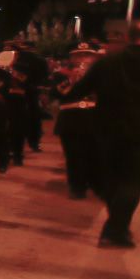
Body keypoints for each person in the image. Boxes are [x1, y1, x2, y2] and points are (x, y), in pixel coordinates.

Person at [73, 24, 140, 248]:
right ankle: (114, 230)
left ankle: (118, 229)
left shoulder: (107, 61)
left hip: (106, 129)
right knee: (131, 182)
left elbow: (78, 90)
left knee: (113, 179)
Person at [54, 45, 101, 200]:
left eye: (87, 55)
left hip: (93, 117)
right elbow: (55, 94)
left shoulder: (100, 74)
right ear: (71, 58)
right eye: (79, 55)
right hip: (71, 118)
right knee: (73, 155)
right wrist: (71, 80)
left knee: (93, 154)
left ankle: (94, 183)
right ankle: (77, 187)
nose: (83, 58)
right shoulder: (61, 75)